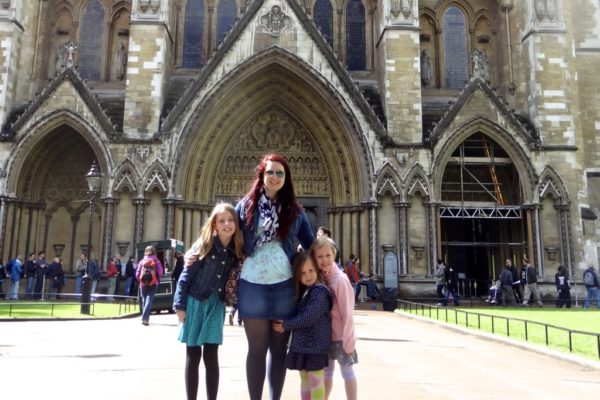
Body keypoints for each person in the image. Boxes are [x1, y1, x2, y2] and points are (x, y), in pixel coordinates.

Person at [234, 153, 315, 400]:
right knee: (256, 350)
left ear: (286, 178)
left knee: (279, 350)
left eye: (280, 172)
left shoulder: (297, 212)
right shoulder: (245, 206)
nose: (275, 176)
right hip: (252, 286)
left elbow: (311, 245)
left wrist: (332, 268)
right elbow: (225, 235)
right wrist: (196, 255)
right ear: (262, 174)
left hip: (284, 287)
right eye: (270, 172)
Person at [174, 202, 243, 400]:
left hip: (216, 305)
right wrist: (180, 305)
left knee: (211, 355)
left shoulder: (236, 249)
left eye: (231, 220)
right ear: (214, 224)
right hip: (195, 301)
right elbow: (185, 276)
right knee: (193, 354)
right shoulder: (203, 244)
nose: (227, 224)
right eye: (222, 221)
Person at [272, 251, 333, 400]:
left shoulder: (320, 292)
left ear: (317, 270)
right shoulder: (306, 292)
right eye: (303, 272)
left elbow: (309, 316)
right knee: (305, 380)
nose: (308, 275)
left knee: (315, 380)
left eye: (311, 270)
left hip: (315, 346)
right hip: (303, 345)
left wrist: (287, 325)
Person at [312, 236, 358, 400]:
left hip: (341, 336)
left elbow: (347, 312)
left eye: (328, 256)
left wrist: (349, 340)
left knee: (347, 371)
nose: (324, 260)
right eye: (320, 256)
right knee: (327, 372)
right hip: (326, 336)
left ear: (334, 255)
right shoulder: (323, 277)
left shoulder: (339, 279)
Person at [136, 245, 164, 325]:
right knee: (149, 300)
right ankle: (145, 319)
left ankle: (144, 319)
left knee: (144, 300)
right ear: (154, 252)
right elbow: (160, 272)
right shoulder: (156, 260)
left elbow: (137, 273)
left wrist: (141, 280)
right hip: (153, 283)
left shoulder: (142, 261)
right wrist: (156, 279)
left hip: (143, 283)